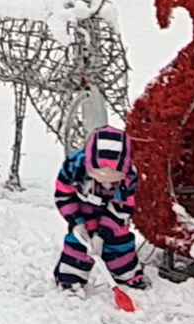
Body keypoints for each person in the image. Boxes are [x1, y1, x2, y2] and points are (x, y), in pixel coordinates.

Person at [52, 124, 147, 293]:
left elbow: (122, 208)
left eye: (114, 179)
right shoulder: (74, 167)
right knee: (79, 245)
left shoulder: (130, 176)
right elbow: (63, 195)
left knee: (119, 244)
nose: (108, 184)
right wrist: (77, 222)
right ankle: (70, 280)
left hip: (113, 214)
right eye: (102, 178)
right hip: (83, 209)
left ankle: (128, 276)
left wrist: (103, 235)